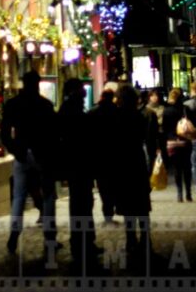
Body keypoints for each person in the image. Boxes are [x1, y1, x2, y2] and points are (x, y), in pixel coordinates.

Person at [1, 70, 59, 257]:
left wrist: (14, 149)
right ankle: (50, 237)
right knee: (49, 195)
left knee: (18, 196)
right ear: (37, 84)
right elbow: (53, 134)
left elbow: (4, 132)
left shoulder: (13, 104)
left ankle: (14, 234)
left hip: (22, 153)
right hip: (43, 154)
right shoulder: (45, 105)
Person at [58, 77, 99, 271]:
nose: (84, 94)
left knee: (83, 202)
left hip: (78, 163)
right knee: (81, 203)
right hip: (78, 164)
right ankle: (82, 242)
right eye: (81, 91)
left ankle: (85, 241)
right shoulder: (71, 111)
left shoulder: (69, 109)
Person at [114, 83, 153, 264]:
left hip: (123, 163)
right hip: (137, 161)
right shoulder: (140, 116)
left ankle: (131, 239)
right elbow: (146, 139)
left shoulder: (118, 117)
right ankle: (145, 239)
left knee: (129, 206)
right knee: (142, 206)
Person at [89, 84, 120, 223]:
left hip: (97, 154)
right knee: (114, 182)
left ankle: (106, 209)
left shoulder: (92, 112)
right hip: (114, 154)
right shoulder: (118, 113)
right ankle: (111, 207)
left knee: (102, 184)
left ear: (101, 97)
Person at [162, 87, 192, 201]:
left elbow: (164, 128)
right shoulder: (185, 109)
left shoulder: (167, 111)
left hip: (172, 141)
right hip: (185, 140)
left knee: (177, 168)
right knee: (187, 167)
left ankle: (179, 194)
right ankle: (188, 193)